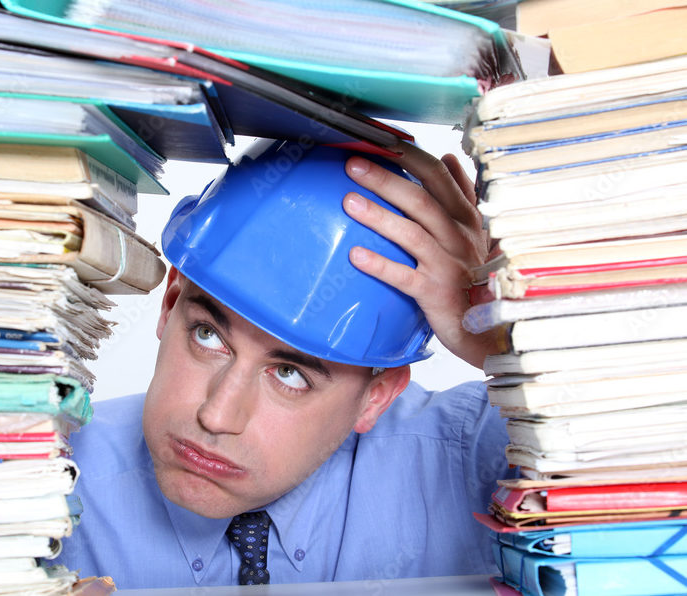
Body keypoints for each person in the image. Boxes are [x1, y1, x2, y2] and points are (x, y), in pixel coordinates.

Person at [54, 140, 514, 588]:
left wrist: (511, 342)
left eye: (290, 374)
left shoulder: (479, 459)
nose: (216, 416)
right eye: (207, 335)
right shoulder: (44, 474)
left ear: (375, 398)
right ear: (170, 302)